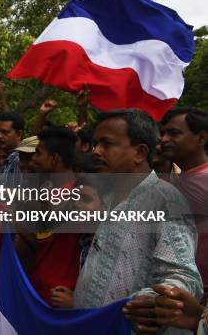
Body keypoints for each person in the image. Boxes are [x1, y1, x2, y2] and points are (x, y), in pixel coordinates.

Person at [70, 109, 201, 335]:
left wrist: (158, 300)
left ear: (140, 153)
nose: (96, 152)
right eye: (94, 144)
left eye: (106, 144)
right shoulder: (110, 196)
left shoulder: (165, 200)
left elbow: (183, 276)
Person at [25, 127, 80, 308]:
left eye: (38, 153)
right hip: (40, 287)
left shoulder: (78, 195)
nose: (33, 159)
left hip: (60, 294)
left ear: (55, 159)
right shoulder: (46, 189)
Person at [160, 107, 208, 302]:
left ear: (201, 138)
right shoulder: (182, 180)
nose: (163, 139)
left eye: (173, 133)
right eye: (162, 133)